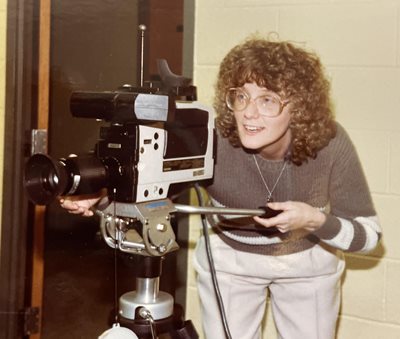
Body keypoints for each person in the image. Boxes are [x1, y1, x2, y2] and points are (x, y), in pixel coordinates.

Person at [60, 36, 381, 339]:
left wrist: (315, 221)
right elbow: (152, 187)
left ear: (298, 107)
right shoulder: (210, 134)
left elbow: (369, 237)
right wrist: (101, 196)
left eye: (268, 100)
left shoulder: (330, 142)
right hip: (231, 262)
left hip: (307, 263)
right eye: (241, 96)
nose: (249, 112)